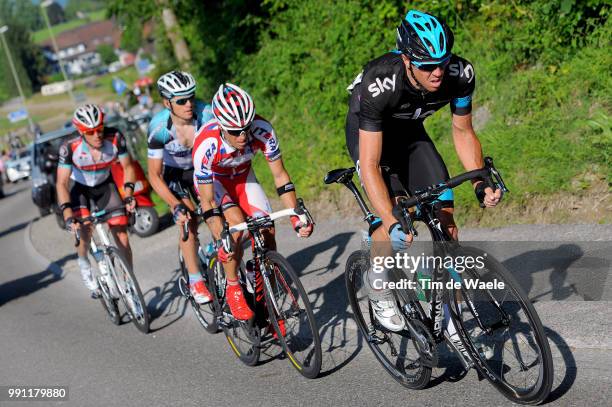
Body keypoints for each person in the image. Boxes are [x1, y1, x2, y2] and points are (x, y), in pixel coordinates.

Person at [345, 10, 502, 331]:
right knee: (398, 223)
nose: (437, 73)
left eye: (442, 63)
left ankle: (453, 323)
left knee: (446, 221)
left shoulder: (460, 73)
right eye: (428, 66)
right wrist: (390, 221)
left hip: (411, 135)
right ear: (406, 60)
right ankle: (377, 280)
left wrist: (479, 182)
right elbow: (371, 165)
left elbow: (462, 132)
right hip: (372, 139)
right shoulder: (381, 82)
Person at [193, 83, 313, 321]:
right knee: (235, 230)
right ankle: (233, 286)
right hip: (215, 184)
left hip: (243, 176)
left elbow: (280, 176)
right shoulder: (206, 145)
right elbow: (207, 202)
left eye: (246, 128)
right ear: (221, 127)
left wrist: (295, 215)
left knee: (267, 226)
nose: (243, 136)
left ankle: (260, 279)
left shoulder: (262, 129)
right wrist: (222, 236)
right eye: (235, 131)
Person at [147, 70, 214, 304]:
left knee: (222, 214)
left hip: (202, 168)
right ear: (167, 103)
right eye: (181, 101)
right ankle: (195, 280)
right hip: (176, 174)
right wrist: (175, 206)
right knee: (189, 221)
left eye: (191, 97)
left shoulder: (206, 114)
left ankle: (213, 251)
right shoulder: (159, 128)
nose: (189, 104)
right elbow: (154, 175)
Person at [56, 104, 137, 295]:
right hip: (81, 190)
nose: (97, 135)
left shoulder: (115, 137)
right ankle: (84, 263)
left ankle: (129, 282)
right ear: (80, 131)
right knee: (84, 234)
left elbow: (129, 167)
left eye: (99, 129)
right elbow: (61, 183)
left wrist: (129, 194)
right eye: (90, 132)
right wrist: (68, 215)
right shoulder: (69, 147)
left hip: (104, 187)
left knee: (122, 235)